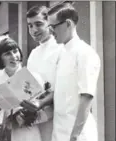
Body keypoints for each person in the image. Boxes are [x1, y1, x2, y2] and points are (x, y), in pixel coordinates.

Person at [47, 3, 100, 141]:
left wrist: (75, 135)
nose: (50, 32)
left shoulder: (85, 53)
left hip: (78, 134)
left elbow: (86, 97)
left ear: (68, 24)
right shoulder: (62, 53)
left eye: (53, 27)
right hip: (60, 131)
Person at [0, 36, 45, 141]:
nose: (14, 56)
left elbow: (45, 110)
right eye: (8, 54)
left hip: (27, 134)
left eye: (15, 51)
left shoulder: (33, 77)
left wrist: (27, 117)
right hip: (3, 136)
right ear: (0, 58)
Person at [26, 5, 63, 141]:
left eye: (38, 24)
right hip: (39, 117)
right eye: (30, 25)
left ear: (49, 23)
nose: (34, 30)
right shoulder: (34, 54)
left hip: (59, 114)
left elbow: (63, 87)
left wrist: (41, 103)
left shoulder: (60, 48)